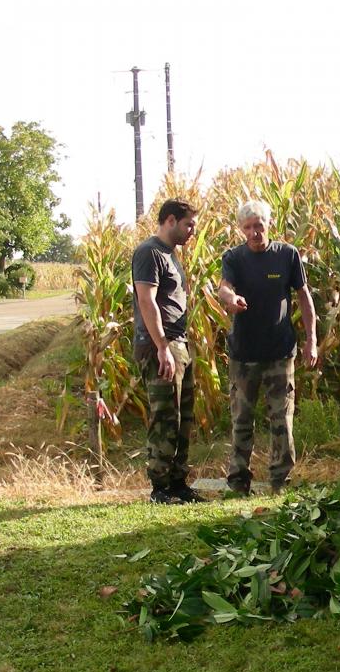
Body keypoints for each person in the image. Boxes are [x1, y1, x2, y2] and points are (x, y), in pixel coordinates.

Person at [217, 200, 318, 496]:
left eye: (258, 225)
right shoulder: (234, 258)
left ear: (269, 224)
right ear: (240, 229)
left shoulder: (287, 255)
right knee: (241, 419)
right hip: (244, 354)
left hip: (280, 352)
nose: (254, 232)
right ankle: (238, 482)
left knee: (282, 419)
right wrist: (230, 299)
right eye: (247, 227)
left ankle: (279, 481)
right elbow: (224, 286)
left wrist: (311, 339)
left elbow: (303, 296)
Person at [132, 197, 206, 505]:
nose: (192, 231)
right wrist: (162, 346)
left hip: (179, 344)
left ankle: (178, 484)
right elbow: (147, 301)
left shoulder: (170, 254)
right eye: (189, 224)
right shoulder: (149, 253)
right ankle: (159, 488)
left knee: (182, 417)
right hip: (161, 346)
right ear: (171, 220)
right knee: (165, 417)